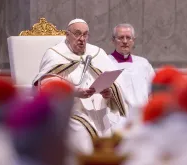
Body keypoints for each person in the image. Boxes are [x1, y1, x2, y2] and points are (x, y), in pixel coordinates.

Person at [33, 18, 129, 156]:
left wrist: (109, 92)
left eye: (85, 34)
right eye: (77, 34)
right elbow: (47, 85)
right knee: (84, 137)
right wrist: (74, 92)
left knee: (119, 135)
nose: (82, 39)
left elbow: (114, 81)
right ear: (67, 35)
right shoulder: (55, 54)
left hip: (100, 111)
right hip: (72, 112)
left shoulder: (97, 53)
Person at [108, 23, 155, 116]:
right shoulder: (105, 62)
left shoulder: (143, 63)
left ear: (133, 40)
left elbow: (153, 91)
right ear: (113, 40)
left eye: (128, 38)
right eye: (121, 38)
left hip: (141, 116)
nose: (125, 41)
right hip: (116, 117)